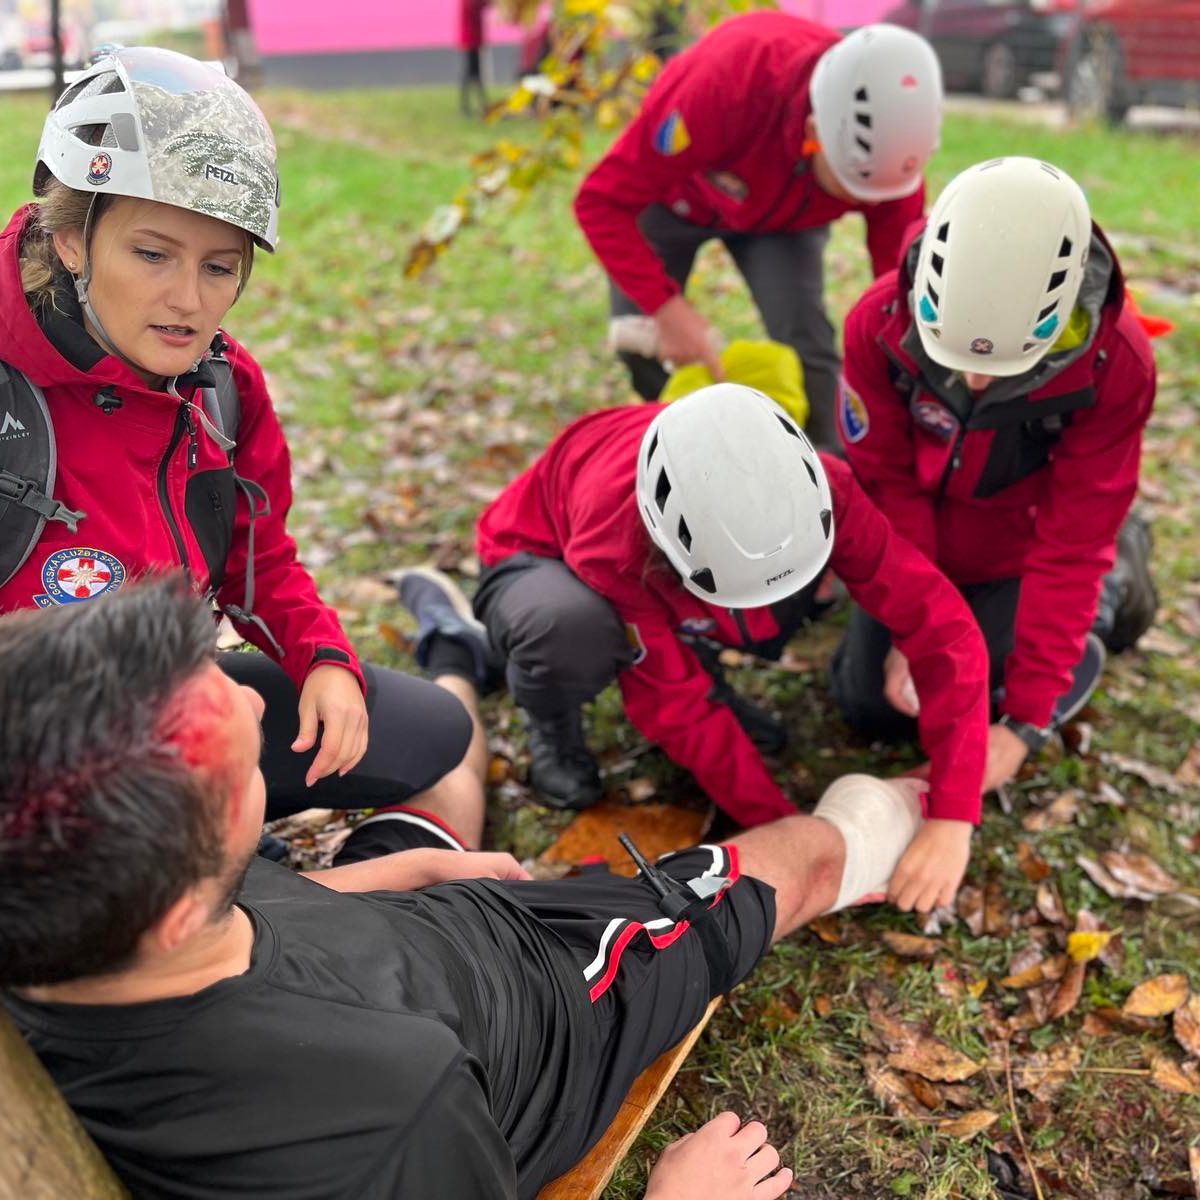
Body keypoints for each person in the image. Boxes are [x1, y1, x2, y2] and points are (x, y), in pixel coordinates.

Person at [0, 576, 939, 1199]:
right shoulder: (389, 1121)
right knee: (805, 861)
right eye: (244, 767)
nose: (252, 698)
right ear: (174, 914)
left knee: (447, 776)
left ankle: (454, 651)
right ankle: (924, 797)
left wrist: (406, 872)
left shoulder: (78, 927)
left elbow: (251, 914)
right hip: (552, 998)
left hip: (392, 920)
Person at [0, 47, 478, 826]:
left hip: (179, 708)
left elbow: (261, 560)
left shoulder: (221, 387)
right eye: (152, 254)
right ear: (71, 238)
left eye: (219, 268)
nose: (187, 300)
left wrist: (323, 658)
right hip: (35, 760)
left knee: (430, 733)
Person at [431, 383, 990, 913]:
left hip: (673, 567)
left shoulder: (820, 488)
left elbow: (942, 628)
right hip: (540, 560)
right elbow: (674, 706)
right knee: (570, 630)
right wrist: (779, 826)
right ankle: (552, 727)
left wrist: (954, 814)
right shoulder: (615, 540)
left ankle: (704, 663)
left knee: (762, 608)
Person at [830, 156, 1158, 788]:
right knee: (869, 705)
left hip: (1023, 549)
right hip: (926, 542)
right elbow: (887, 486)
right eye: (957, 358)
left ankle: (1120, 578)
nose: (976, 384)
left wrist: (1027, 723)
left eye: (1006, 364)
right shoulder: (878, 324)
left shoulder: (1115, 362)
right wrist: (915, 628)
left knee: (998, 694)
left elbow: (1072, 543)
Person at [573, 11, 944, 448]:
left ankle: (828, 467)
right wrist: (666, 309)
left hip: (786, 220)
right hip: (678, 197)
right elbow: (600, 201)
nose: (866, 205)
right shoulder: (723, 88)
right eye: (851, 189)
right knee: (643, 343)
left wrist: (907, 380)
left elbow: (896, 292)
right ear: (815, 133)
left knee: (806, 346)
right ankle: (684, 450)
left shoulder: (891, 164)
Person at [459, 0, 490, 117]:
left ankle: (479, 104)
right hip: (471, 39)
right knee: (472, 73)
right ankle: (477, 104)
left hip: (472, 38)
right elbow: (476, 6)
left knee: (473, 73)